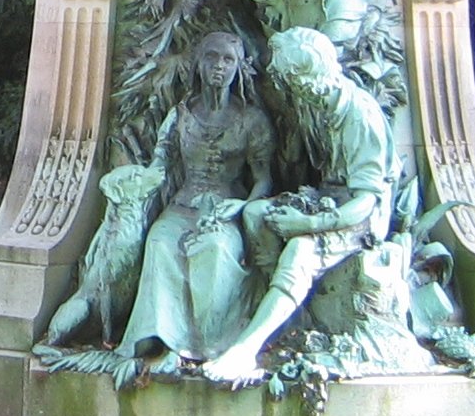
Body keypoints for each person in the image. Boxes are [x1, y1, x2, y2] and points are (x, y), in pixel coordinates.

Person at [204, 26, 396, 387]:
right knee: (256, 213)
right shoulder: (319, 105)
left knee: (300, 251)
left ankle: (246, 349)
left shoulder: (360, 116)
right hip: (327, 198)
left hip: (359, 214)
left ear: (309, 77)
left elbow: (367, 202)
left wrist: (308, 225)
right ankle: (275, 314)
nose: (288, 88)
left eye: (292, 80)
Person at [94, 27, 277, 386]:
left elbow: (264, 179)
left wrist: (241, 208)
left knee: (215, 249)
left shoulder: (252, 120)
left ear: (239, 67)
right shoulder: (179, 116)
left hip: (226, 207)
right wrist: (128, 186)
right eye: (211, 57)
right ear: (198, 64)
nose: (218, 67)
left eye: (227, 60)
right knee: (161, 243)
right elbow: (159, 166)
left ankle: (212, 346)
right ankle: (166, 344)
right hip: (183, 204)